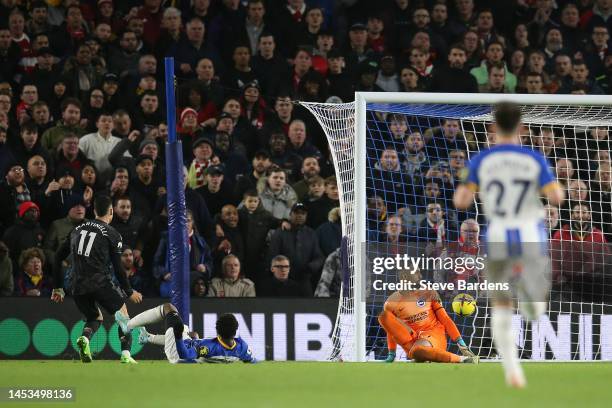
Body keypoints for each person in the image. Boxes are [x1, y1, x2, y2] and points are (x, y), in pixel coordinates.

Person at [453, 102, 565, 388]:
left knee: (500, 304)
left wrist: (473, 184)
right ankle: (531, 301)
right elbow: (557, 198)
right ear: (522, 129)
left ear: (492, 129)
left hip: (499, 236)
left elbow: (461, 201)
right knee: (535, 307)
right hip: (530, 236)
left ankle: (512, 370)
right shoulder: (533, 158)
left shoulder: (481, 160)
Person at [51, 195, 143, 364]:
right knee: (123, 316)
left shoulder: (77, 228)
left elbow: (57, 257)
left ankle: (85, 339)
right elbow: (118, 268)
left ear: (93, 211)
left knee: (95, 317)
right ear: (111, 211)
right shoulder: (113, 234)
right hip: (100, 281)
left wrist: (58, 287)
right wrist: (129, 291)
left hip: (75, 284)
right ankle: (126, 355)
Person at [379, 269, 477, 364]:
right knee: (384, 316)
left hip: (433, 334)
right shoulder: (391, 302)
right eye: (416, 273)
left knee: (418, 351)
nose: (420, 276)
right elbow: (391, 330)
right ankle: (423, 356)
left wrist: (462, 345)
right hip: (411, 338)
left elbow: (445, 319)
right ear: (404, 276)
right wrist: (391, 353)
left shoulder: (429, 293)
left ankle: (462, 359)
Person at [116, 302, 256, 363]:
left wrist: (178, 337)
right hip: (193, 351)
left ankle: (127, 326)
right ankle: (148, 337)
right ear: (236, 330)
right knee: (191, 334)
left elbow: (186, 355)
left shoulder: (207, 347)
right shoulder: (241, 347)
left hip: (178, 355)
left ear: (218, 330)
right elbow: (251, 360)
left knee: (169, 308)